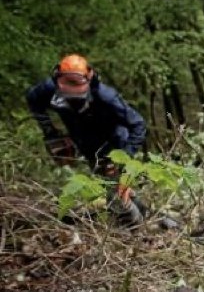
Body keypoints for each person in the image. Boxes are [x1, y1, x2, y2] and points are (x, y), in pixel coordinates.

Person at [26, 54, 147, 225]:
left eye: (77, 83)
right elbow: (33, 100)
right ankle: (144, 215)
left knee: (116, 195)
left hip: (114, 145)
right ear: (57, 78)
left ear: (88, 78)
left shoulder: (106, 97)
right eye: (67, 83)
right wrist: (50, 132)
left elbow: (138, 124)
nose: (72, 89)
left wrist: (125, 157)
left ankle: (135, 228)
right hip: (87, 145)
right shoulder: (47, 90)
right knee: (109, 185)